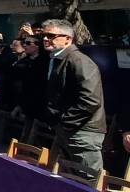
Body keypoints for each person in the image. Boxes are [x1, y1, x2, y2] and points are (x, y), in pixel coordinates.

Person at [42, 19, 106, 173]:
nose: (45, 39)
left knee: (88, 177)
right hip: (67, 129)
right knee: (70, 176)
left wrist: (65, 122)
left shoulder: (79, 61)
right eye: (44, 35)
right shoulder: (56, 58)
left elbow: (90, 100)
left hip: (82, 131)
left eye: (51, 35)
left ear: (68, 39)